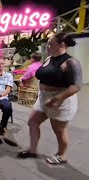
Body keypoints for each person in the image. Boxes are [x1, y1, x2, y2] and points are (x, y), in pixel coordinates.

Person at [18, 32, 82, 165]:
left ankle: (62, 155)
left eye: (50, 44)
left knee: (59, 130)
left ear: (62, 45)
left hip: (61, 101)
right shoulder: (48, 59)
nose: (47, 46)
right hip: (43, 99)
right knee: (33, 122)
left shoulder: (71, 62)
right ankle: (33, 150)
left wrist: (58, 98)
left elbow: (76, 86)